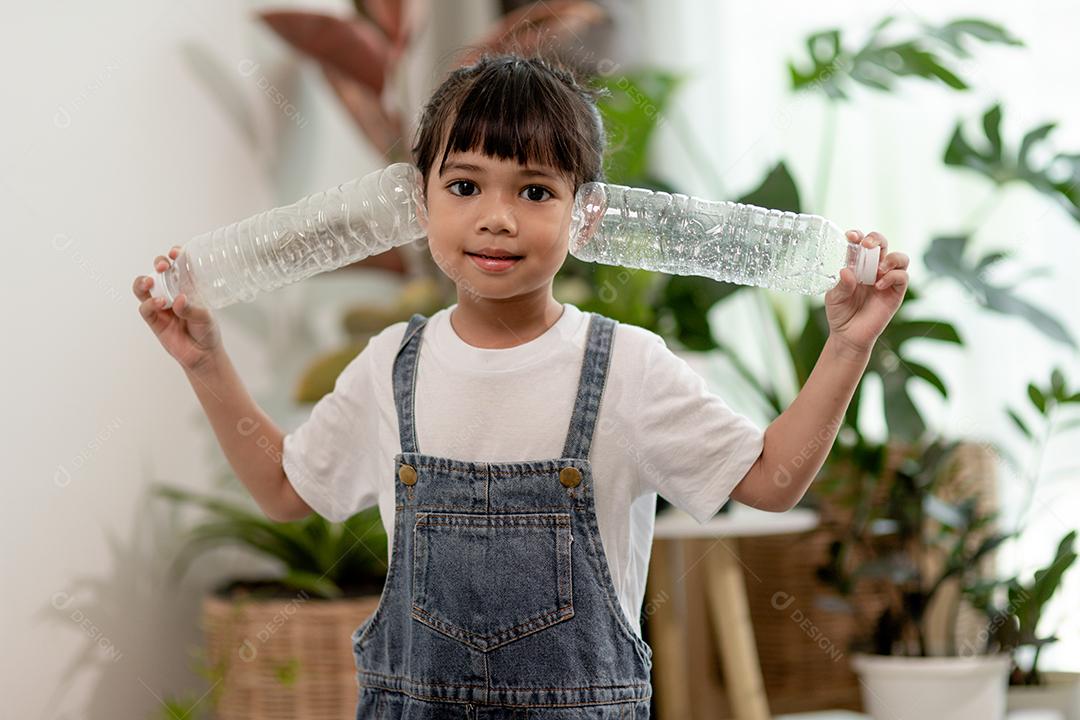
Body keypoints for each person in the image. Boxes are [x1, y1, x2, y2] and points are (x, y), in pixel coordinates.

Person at [132, 52, 909, 719]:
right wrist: (204, 361)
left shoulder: (628, 368)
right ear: (419, 201)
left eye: (534, 192)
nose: (496, 218)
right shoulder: (388, 365)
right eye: (465, 186)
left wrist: (847, 344)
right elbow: (283, 490)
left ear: (588, 216)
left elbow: (773, 481)